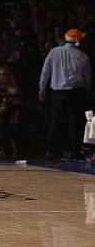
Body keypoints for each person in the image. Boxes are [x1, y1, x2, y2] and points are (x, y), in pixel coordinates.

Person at [39, 29, 91, 159]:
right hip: (76, 91)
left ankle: (51, 150)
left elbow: (46, 71)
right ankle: (74, 151)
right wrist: (87, 91)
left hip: (58, 91)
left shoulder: (54, 51)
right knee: (74, 122)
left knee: (55, 120)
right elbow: (87, 77)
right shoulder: (83, 56)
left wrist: (42, 88)